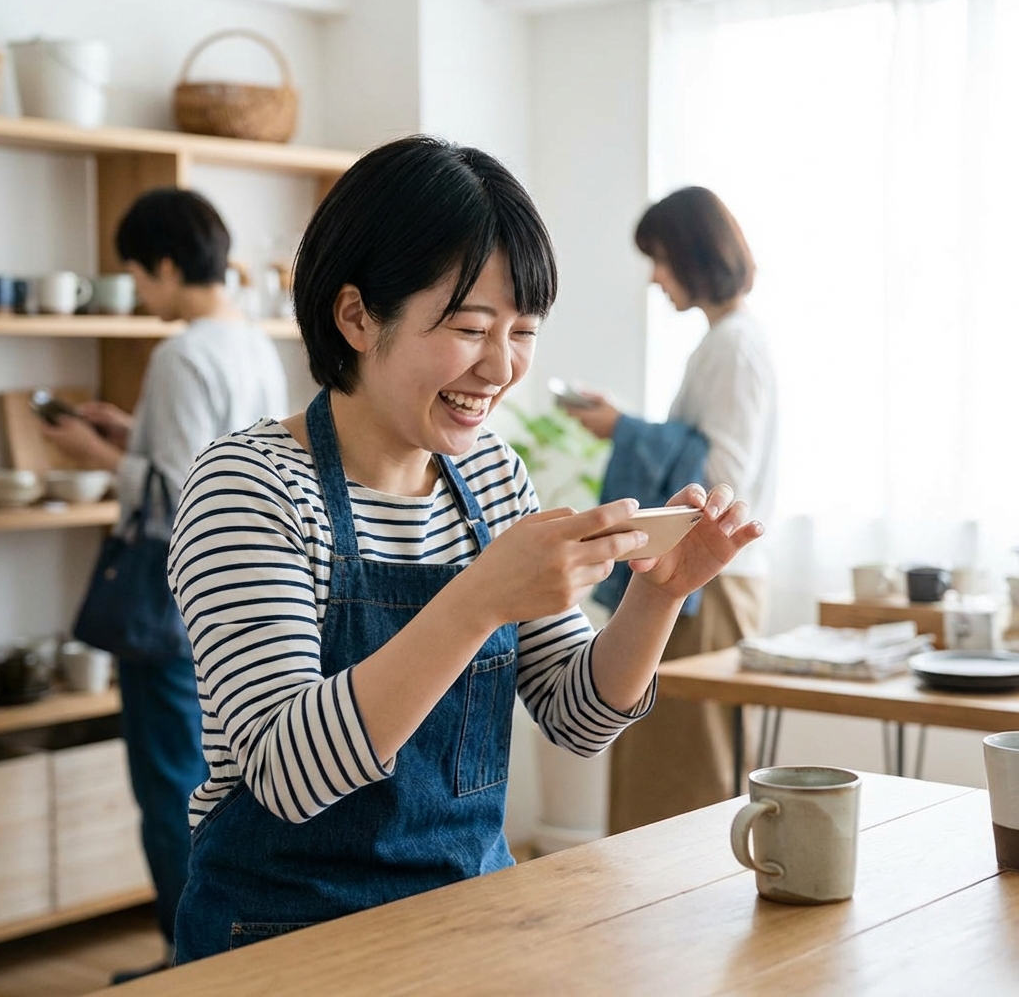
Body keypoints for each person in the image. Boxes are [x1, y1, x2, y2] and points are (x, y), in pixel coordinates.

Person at [165, 138, 763, 965]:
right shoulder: (248, 485)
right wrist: (480, 597)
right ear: (356, 316)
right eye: (471, 328)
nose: (501, 367)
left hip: (467, 926)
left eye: (523, 331)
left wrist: (658, 594)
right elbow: (288, 774)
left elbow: (579, 717)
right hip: (281, 942)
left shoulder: (491, 477)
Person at [41, 188, 289, 979]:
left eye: (138, 273)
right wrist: (131, 433)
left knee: (169, 784)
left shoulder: (181, 354)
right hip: (248, 588)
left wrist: (98, 456)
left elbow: (186, 488)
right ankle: (219, 954)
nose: (139, 290)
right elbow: (231, 458)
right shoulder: (252, 343)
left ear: (168, 265)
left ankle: (187, 961)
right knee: (221, 783)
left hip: (173, 595)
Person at [562, 186, 777, 832]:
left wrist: (626, 429)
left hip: (711, 583)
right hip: (710, 581)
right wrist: (625, 424)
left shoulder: (733, 346)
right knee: (671, 757)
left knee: (686, 769)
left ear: (692, 254)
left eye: (660, 258)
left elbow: (723, 479)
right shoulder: (727, 341)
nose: (655, 277)